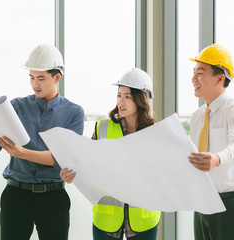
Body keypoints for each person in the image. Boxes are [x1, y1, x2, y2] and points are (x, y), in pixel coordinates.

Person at [0, 44, 84, 240]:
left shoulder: (74, 112)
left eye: (41, 78)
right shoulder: (16, 107)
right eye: (32, 77)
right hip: (16, 196)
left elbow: (61, 159)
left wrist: (21, 153)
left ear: (57, 77)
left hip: (54, 198)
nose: (35, 83)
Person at [60, 68, 160, 240]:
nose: (121, 101)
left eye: (127, 96)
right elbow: (86, 165)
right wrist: (71, 174)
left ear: (141, 99)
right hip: (107, 219)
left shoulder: (156, 133)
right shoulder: (102, 129)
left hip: (144, 220)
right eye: (119, 95)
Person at [187, 44, 234, 240]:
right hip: (204, 201)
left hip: (231, 204)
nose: (193, 79)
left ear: (220, 78)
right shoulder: (197, 116)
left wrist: (217, 159)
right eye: (193, 73)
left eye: (200, 73)